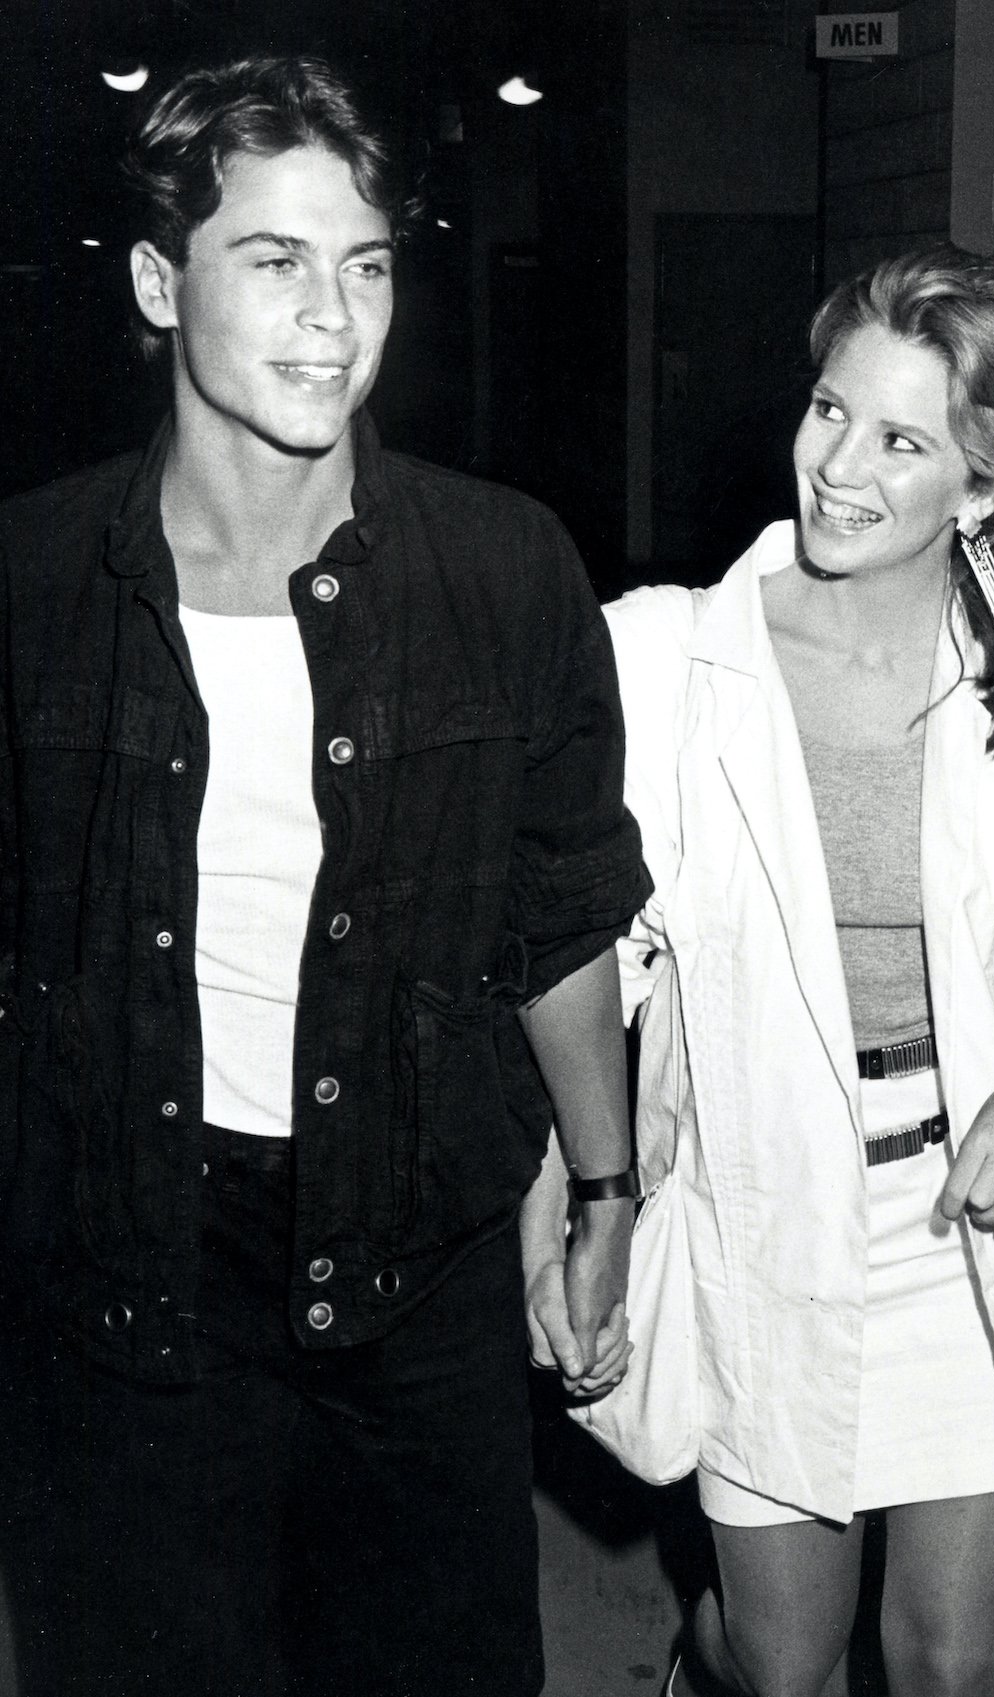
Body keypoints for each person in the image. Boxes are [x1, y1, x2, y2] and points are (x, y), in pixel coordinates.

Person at [0, 55, 646, 1697]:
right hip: (120, 1259)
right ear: (160, 283)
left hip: (414, 1251)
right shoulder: (37, 578)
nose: (333, 319)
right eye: (274, 260)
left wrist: (604, 1191)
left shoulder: (504, 568)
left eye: (365, 265)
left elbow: (564, 915)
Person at [528, 246, 994, 1697]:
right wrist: (581, 1180)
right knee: (783, 1660)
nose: (837, 466)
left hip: (965, 1221)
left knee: (947, 1661)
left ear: (983, 489)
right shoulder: (664, 662)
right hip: (764, 1205)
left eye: (900, 441)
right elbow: (582, 952)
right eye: (829, 410)